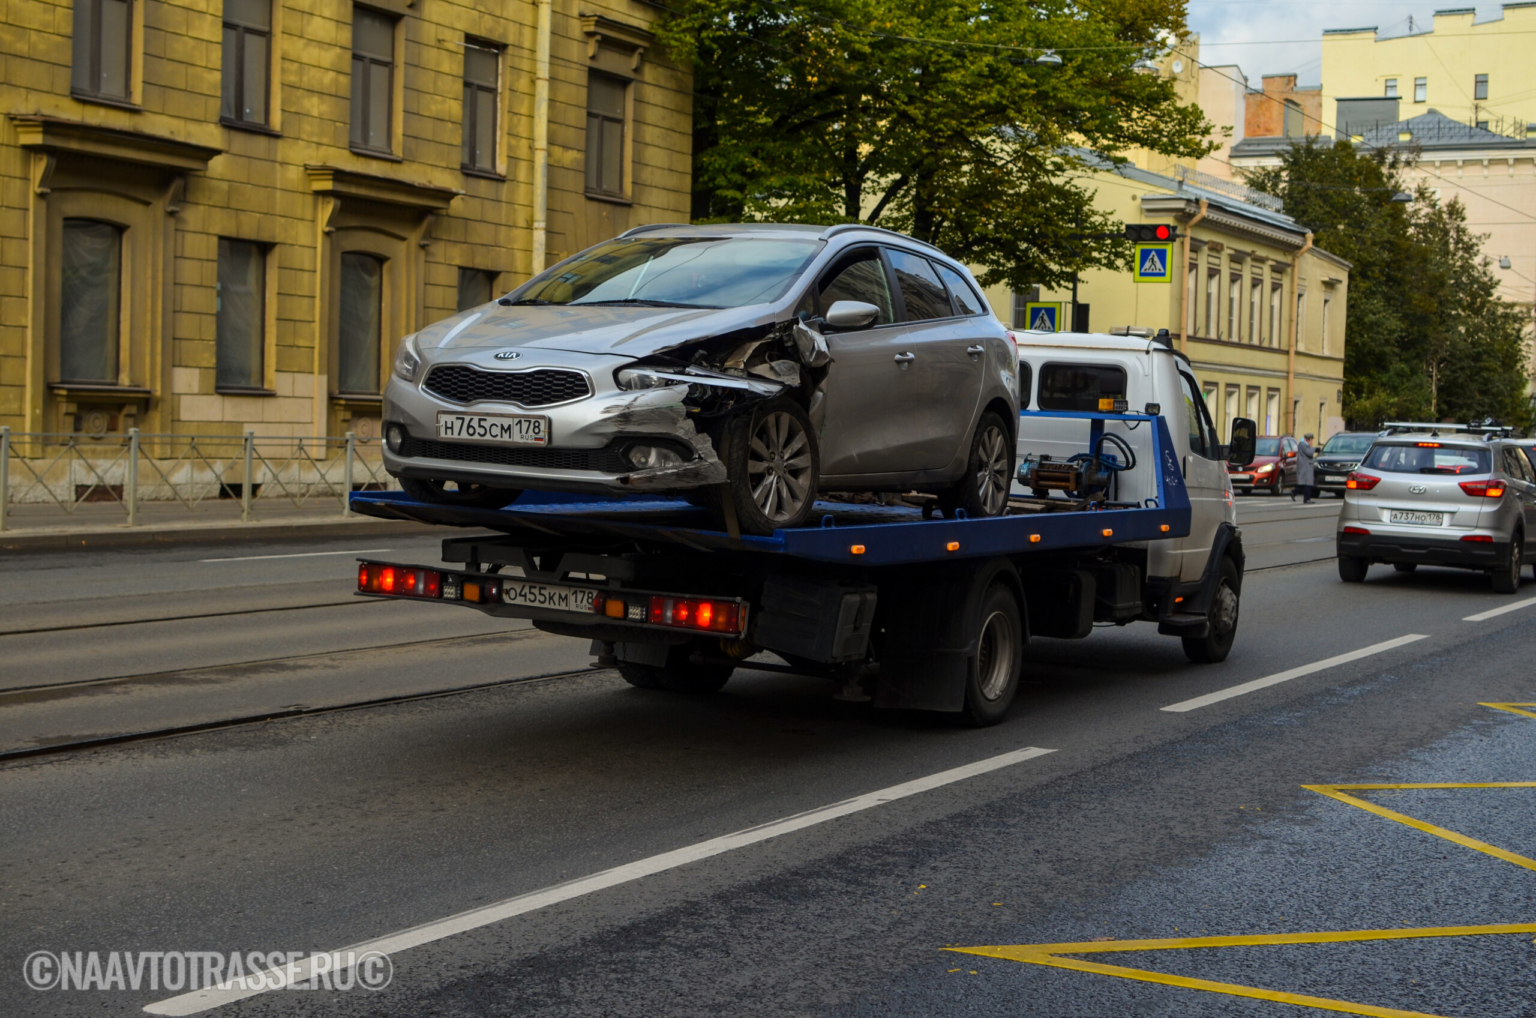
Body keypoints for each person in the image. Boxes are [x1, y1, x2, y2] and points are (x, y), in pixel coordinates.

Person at [1292, 432, 1316, 503]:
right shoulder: (1303, 445)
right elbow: (1310, 453)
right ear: (1308, 440)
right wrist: (1313, 448)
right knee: (1307, 483)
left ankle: (1296, 493)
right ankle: (1306, 499)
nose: (1312, 442)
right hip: (1305, 467)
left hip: (1306, 466)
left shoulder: (1303, 445)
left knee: (1305, 484)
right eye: (1311, 440)